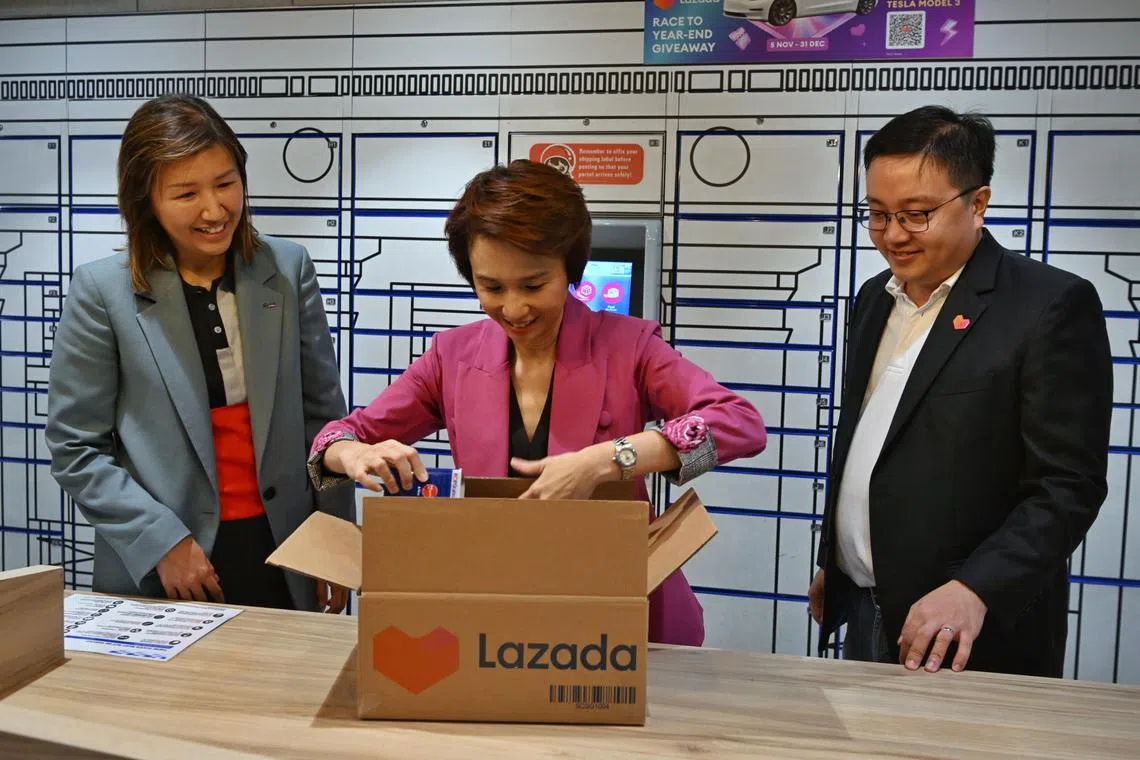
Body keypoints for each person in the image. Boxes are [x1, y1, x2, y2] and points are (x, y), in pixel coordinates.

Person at [307, 159, 767, 646]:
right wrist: (354, 454)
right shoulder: (451, 357)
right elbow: (333, 440)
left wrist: (607, 460)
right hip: (501, 612)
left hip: (623, 612)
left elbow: (740, 423)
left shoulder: (629, 347)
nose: (514, 309)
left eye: (533, 285)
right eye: (491, 287)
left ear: (570, 266)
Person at [810, 105, 1113, 677]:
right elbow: (872, 441)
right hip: (864, 607)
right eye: (876, 214)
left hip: (969, 634)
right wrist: (842, 559)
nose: (893, 235)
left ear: (978, 203)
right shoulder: (874, 300)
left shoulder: (1048, 307)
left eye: (916, 214)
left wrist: (975, 588)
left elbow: (1067, 487)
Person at [46, 94, 353, 613]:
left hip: (286, 550)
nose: (215, 210)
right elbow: (75, 447)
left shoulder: (288, 267)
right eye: (186, 193)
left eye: (227, 184)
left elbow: (324, 421)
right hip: (167, 564)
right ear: (146, 199)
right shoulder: (101, 291)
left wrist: (336, 541)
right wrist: (160, 540)